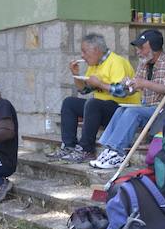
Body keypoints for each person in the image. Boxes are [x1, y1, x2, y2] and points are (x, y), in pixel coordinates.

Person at [49, 33, 140, 163]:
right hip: (99, 108)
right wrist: (76, 75)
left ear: (96, 50)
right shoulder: (94, 65)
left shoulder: (117, 62)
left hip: (122, 110)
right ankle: (68, 146)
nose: (82, 56)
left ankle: (86, 149)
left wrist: (100, 84)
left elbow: (123, 91)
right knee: (69, 103)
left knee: (93, 104)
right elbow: (84, 90)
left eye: (84, 51)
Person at [89, 29, 165, 169]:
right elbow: (135, 86)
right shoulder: (144, 62)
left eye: (142, 47)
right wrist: (128, 85)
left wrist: (144, 83)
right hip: (147, 106)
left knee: (132, 113)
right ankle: (110, 149)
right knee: (121, 109)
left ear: (154, 47)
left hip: (162, 109)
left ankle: (119, 153)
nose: (138, 51)